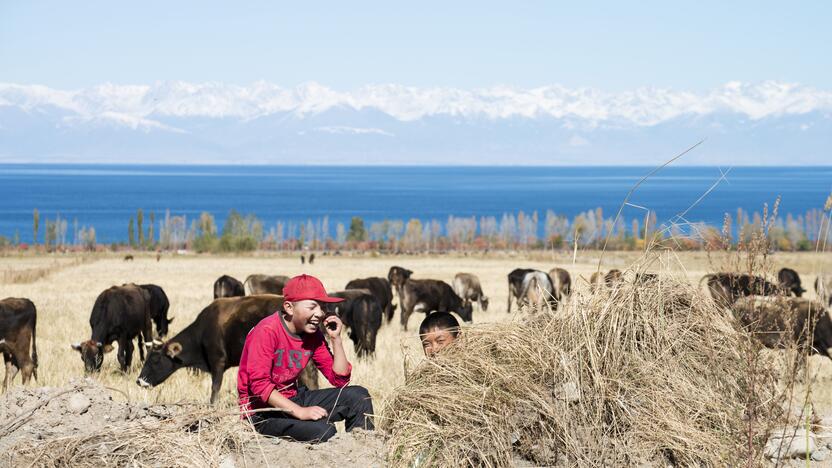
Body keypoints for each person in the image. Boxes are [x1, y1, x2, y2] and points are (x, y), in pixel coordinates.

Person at [237, 274, 374, 443]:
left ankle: (364, 454)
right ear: (289, 307)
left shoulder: (313, 335)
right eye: (312, 307)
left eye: (322, 307)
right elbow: (260, 386)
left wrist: (336, 339)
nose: (320, 313)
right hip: (262, 412)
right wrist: (300, 412)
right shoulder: (266, 331)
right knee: (324, 431)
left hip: (293, 397)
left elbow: (340, 380)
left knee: (359, 397)